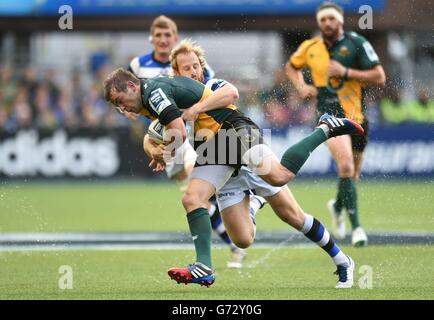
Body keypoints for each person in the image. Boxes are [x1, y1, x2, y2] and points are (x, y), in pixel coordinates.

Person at [103, 68, 365, 288]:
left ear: (131, 85)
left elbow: (178, 130)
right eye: (115, 105)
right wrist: (155, 150)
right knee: (212, 214)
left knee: (280, 180)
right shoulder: (155, 98)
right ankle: (205, 267)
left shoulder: (156, 92)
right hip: (216, 151)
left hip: (234, 131)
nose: (120, 107)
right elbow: (153, 136)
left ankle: (324, 128)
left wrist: (167, 153)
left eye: (119, 100)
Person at [286, 1, 386, 247]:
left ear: (340, 20)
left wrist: (346, 72)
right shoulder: (310, 47)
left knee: (353, 175)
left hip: (358, 117)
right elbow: (291, 66)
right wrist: (301, 86)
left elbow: (379, 76)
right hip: (328, 117)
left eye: (331, 18)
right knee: (345, 167)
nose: (327, 23)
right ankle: (358, 229)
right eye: (322, 20)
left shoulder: (357, 43)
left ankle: (338, 207)